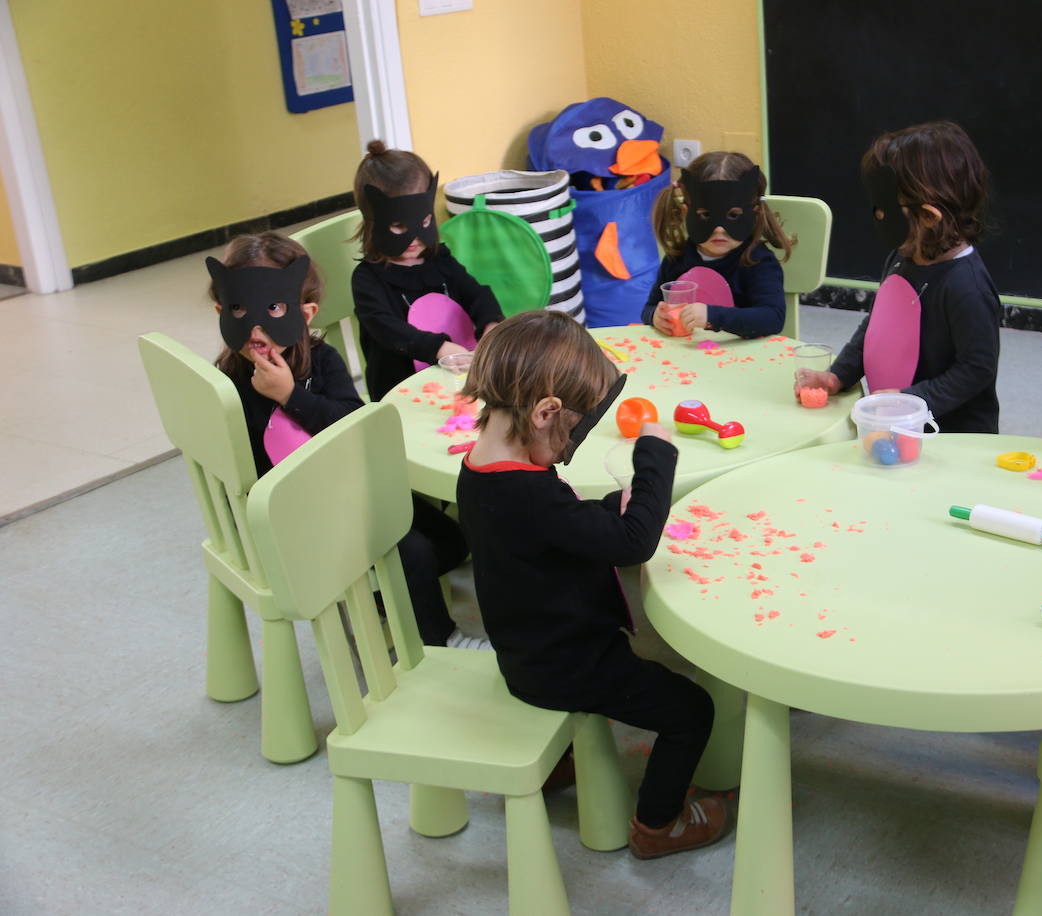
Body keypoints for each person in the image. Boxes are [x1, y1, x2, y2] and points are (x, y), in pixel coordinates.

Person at [456, 310, 727, 859]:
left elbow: (553, 529)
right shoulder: (532, 495)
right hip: (568, 667)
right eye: (573, 431)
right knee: (692, 709)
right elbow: (632, 544)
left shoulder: (481, 468)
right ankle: (659, 826)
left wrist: (609, 509)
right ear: (545, 412)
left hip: (526, 650)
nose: (570, 444)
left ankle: (560, 767)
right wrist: (655, 454)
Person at [209, 232, 483, 648]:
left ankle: (379, 601)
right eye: (240, 308)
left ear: (307, 312)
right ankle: (441, 640)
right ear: (222, 310)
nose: (257, 326)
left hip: (349, 485)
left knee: (452, 539)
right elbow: (244, 470)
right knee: (413, 552)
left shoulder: (323, 360)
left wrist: (292, 396)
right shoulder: (230, 383)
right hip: (293, 512)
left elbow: (353, 423)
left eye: (275, 307)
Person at [794, 121, 1001, 432]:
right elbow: (877, 327)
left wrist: (913, 399)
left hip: (948, 435)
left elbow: (977, 368)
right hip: (893, 421)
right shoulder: (903, 255)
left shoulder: (966, 287)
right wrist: (838, 374)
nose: (878, 217)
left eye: (888, 209)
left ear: (929, 217)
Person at [350, 140, 504, 400]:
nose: (413, 238)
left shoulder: (440, 261)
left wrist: (491, 326)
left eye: (423, 222)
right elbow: (386, 328)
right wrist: (439, 348)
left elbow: (476, 293)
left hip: (459, 384)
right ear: (373, 223)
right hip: (403, 396)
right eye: (399, 227)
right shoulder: (367, 279)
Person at [641, 151, 792, 338]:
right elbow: (650, 306)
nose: (719, 229)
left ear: (753, 213)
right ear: (686, 212)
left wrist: (712, 316)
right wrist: (655, 316)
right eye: (705, 215)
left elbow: (772, 318)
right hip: (684, 357)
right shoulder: (677, 258)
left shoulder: (758, 262)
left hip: (744, 358)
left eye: (733, 216)